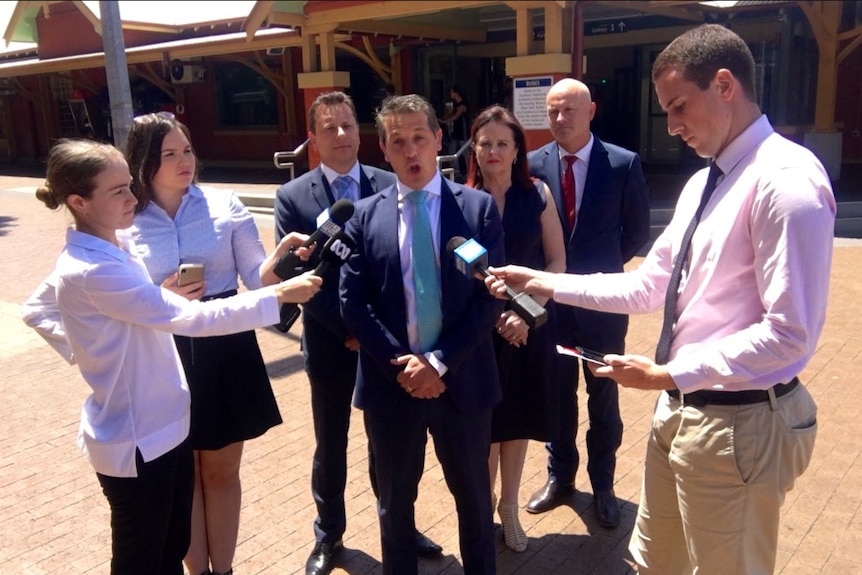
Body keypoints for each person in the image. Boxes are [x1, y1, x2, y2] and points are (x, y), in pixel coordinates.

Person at [485, 23, 833, 575]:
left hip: (738, 424)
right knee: (652, 563)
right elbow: (649, 285)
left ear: (724, 86)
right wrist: (542, 281)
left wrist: (669, 374)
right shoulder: (707, 181)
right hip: (681, 412)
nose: (670, 127)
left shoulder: (785, 182)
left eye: (677, 107)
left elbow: (790, 333)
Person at [20, 139, 321, 575]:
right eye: (118, 191)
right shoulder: (92, 268)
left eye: (129, 185)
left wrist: (107, 332)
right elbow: (191, 318)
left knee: (173, 543)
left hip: (166, 426)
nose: (131, 197)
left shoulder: (113, 244)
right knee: (143, 559)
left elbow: (53, 309)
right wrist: (277, 296)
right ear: (78, 203)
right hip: (137, 437)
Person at [273, 91, 441, 575]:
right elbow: (297, 277)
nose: (342, 135)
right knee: (332, 442)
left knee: (389, 443)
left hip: (385, 343)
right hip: (330, 342)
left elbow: (402, 267)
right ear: (313, 138)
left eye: (348, 125)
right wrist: (351, 328)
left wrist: (373, 333)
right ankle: (329, 535)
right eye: (330, 128)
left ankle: (400, 526)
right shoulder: (292, 197)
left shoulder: (390, 182)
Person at [123, 112, 297, 575]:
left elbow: (256, 278)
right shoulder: (126, 221)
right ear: (144, 162)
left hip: (223, 344)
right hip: (163, 350)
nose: (185, 161)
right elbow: (119, 294)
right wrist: (159, 296)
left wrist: (282, 259)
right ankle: (196, 571)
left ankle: (224, 571)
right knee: (181, 477)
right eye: (170, 154)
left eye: (188, 150)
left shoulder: (224, 205)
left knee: (220, 472)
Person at [339, 94, 504, 575]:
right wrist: (406, 365)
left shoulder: (477, 211)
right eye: (398, 142)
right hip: (393, 386)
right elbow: (354, 303)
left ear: (438, 141)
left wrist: (439, 361)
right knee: (394, 507)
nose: (411, 152)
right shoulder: (363, 219)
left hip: (463, 382)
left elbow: (488, 298)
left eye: (419, 139)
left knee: (475, 502)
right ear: (383, 150)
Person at [525, 77, 651, 528]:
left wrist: (601, 277)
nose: (560, 119)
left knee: (603, 397)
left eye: (569, 110)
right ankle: (561, 478)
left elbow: (637, 231)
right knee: (557, 396)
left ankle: (604, 485)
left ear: (590, 111)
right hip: (553, 307)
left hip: (602, 309)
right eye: (553, 111)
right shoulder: (532, 165)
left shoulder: (622, 163)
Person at [464, 105, 566, 552]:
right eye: (484, 142)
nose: (493, 151)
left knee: (518, 419)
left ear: (517, 149)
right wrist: (492, 317)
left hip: (529, 326)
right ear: (474, 148)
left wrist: (525, 314)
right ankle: (482, 509)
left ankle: (509, 507)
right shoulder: (460, 199)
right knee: (486, 423)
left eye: (502, 143)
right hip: (479, 333)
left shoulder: (538, 194)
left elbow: (557, 262)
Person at [442, 85, 469, 179]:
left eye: (452, 92)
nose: (450, 94)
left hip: (463, 133)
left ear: (456, 93)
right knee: (452, 151)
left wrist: (444, 122)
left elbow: (455, 117)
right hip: (456, 132)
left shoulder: (462, 105)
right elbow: (450, 115)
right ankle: (456, 172)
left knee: (465, 153)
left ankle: (469, 172)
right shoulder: (455, 104)